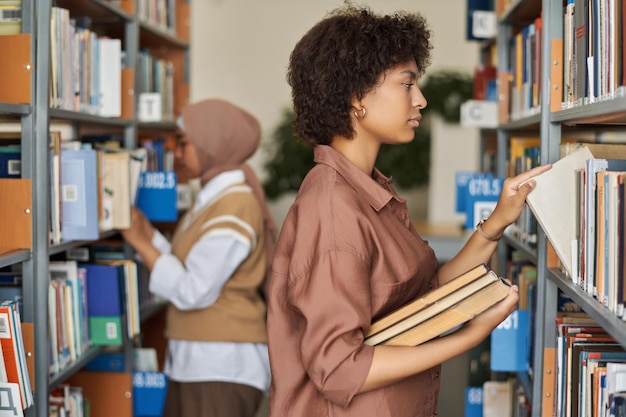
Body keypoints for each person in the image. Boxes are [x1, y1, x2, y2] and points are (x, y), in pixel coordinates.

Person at [265, 4, 551, 417]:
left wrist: (498, 222)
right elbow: (339, 369)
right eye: (407, 83)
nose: (420, 99)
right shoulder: (333, 208)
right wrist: (471, 336)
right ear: (356, 97)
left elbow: (423, 295)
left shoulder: (368, 191)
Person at [121, 98, 277, 417]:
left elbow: (194, 289)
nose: (176, 154)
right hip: (198, 363)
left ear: (213, 144)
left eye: (183, 144)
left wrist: (144, 243)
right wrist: (146, 235)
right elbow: (189, 266)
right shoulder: (214, 197)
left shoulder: (235, 205)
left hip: (220, 366)